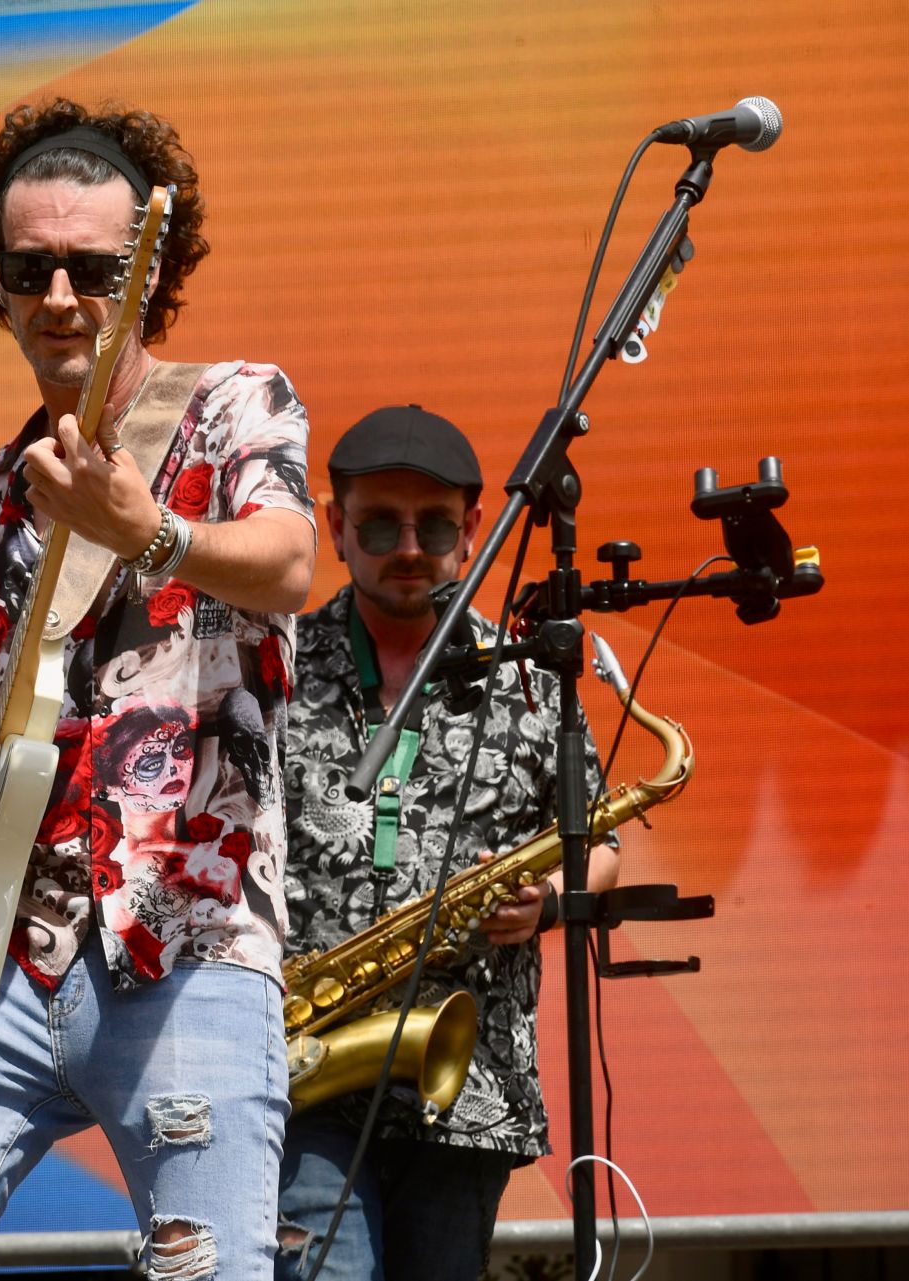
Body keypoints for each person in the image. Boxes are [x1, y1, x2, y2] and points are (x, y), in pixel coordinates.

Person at [0, 98, 318, 1280]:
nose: (61, 297)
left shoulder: (231, 408)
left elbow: (291, 563)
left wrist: (145, 531)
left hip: (183, 940)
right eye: (29, 266)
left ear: (151, 275)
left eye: (95, 269)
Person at [274, 406, 621, 1281]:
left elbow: (606, 843)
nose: (409, 547)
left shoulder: (533, 677)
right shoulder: (272, 665)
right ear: (335, 526)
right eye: (380, 523)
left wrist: (543, 904)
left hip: (469, 1087)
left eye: (434, 525)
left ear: (473, 528)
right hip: (303, 1073)